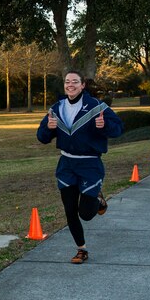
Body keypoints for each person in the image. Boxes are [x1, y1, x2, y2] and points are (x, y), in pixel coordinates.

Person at [37, 71, 124, 264]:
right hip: (67, 164)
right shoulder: (56, 108)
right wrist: (48, 128)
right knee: (69, 209)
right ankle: (81, 249)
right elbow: (42, 137)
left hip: (90, 164)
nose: (71, 85)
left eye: (75, 81)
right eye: (67, 81)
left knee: (85, 214)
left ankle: (98, 200)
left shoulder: (96, 106)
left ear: (82, 85)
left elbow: (119, 128)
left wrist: (105, 125)